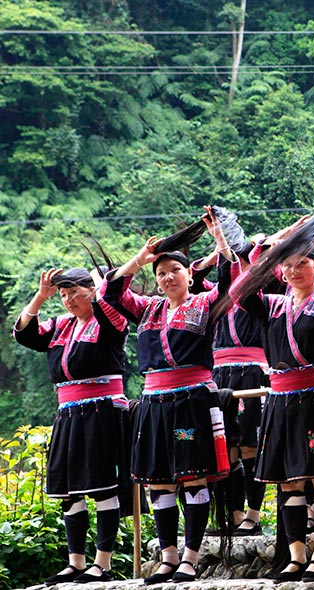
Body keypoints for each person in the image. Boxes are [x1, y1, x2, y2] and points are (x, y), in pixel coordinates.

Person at [101, 208, 235, 584]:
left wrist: (220, 239)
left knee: (191, 478)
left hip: (189, 404)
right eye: (160, 274)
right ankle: (168, 557)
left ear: (190, 274)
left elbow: (232, 280)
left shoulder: (205, 305)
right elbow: (111, 291)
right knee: (158, 481)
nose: (168, 278)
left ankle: (191, 558)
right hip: (154, 407)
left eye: (175, 271)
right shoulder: (147, 309)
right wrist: (141, 258)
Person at [230, 207, 314, 582]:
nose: (294, 270)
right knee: (287, 481)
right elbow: (240, 289)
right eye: (287, 265)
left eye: (302, 263)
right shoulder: (273, 305)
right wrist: (282, 239)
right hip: (281, 401)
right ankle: (296, 557)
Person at [14, 267, 129, 583]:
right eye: (62, 295)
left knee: (103, 485)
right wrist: (41, 296)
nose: (67, 301)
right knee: (68, 491)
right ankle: (76, 562)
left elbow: (112, 310)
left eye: (73, 293)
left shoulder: (108, 322)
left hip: (102, 412)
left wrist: (101, 287)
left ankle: (101, 564)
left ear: (91, 290)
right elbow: (25, 332)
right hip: (68, 414)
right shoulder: (61, 327)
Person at [193, 243, 269, 536]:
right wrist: (217, 251)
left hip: (252, 372)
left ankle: (253, 515)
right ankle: (234, 515)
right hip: (221, 375)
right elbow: (196, 279)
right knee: (228, 448)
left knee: (251, 445)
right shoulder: (214, 298)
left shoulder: (260, 294)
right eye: (232, 263)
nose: (236, 268)